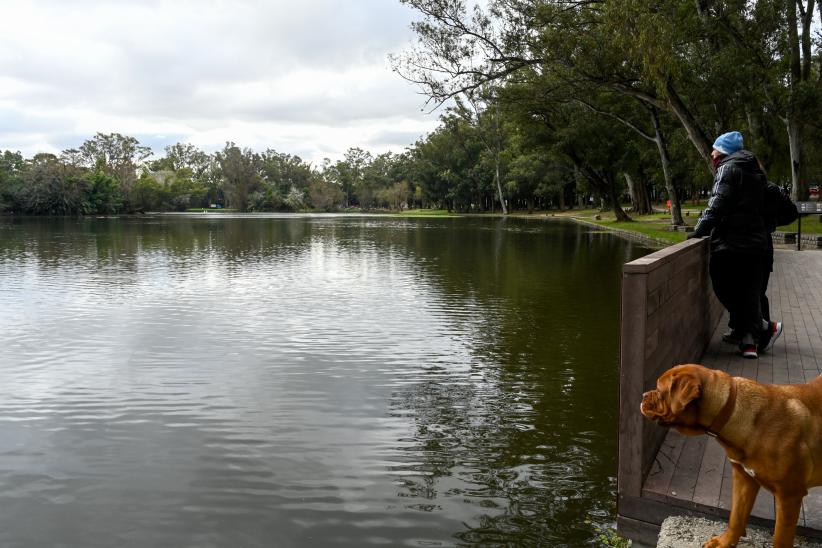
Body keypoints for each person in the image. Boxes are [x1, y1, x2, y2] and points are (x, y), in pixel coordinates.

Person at [687, 131, 782, 359]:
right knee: (749, 293)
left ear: (724, 151)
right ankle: (750, 341)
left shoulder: (727, 168)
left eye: (715, 148)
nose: (711, 153)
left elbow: (717, 204)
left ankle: (761, 326)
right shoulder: (756, 171)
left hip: (731, 243)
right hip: (757, 245)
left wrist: (697, 231)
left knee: (721, 283)